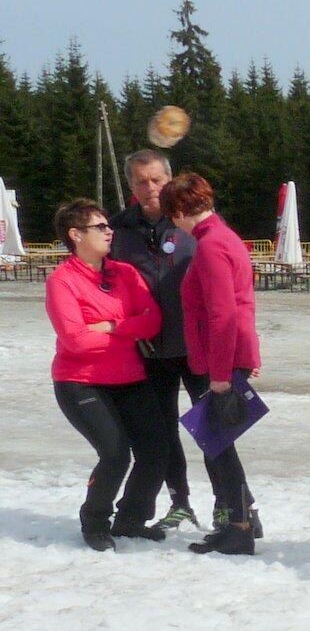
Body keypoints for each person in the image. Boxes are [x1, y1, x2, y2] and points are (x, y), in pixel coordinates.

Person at [46, 197, 167, 550]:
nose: (109, 231)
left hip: (129, 377)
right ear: (75, 235)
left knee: (156, 449)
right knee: (115, 453)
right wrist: (128, 328)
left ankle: (131, 519)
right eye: (99, 227)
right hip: (80, 382)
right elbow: (76, 341)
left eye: (108, 225)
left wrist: (113, 326)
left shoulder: (125, 273)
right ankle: (95, 520)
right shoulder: (62, 281)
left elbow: (153, 321)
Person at [160, 173, 262, 557]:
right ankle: (242, 522)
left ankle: (240, 527)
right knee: (216, 442)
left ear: (180, 211)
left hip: (219, 360)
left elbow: (223, 315)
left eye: (173, 215)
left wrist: (220, 375)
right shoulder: (224, 237)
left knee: (218, 445)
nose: (174, 224)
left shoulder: (211, 245)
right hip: (227, 355)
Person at [109, 149, 204, 531]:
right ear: (130, 185)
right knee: (164, 432)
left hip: (197, 346)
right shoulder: (117, 230)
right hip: (150, 350)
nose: (149, 188)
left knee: (214, 428)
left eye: (156, 180)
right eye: (141, 181)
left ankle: (237, 507)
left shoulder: (192, 223)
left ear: (170, 179)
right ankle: (180, 502)